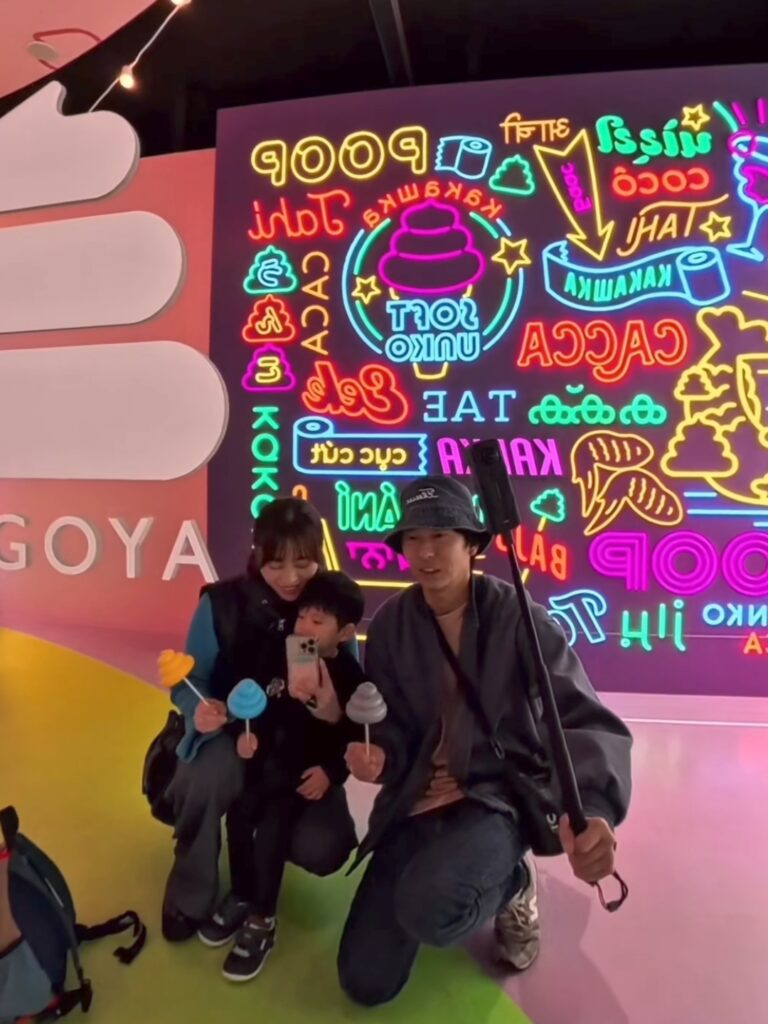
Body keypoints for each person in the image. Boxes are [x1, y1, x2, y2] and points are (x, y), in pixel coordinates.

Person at [338, 476, 633, 1008]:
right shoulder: (390, 627)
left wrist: (594, 808)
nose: (426, 552)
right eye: (413, 538)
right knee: (365, 981)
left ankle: (514, 883)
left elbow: (580, 715)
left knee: (430, 907)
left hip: (495, 798)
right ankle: (460, 879)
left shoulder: (518, 617)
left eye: (441, 536)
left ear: (472, 543)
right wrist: (380, 754)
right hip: (416, 801)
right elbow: (391, 726)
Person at [162, 499, 358, 976]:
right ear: (256, 555)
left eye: (303, 562)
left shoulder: (329, 607)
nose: (290, 577)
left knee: (322, 843)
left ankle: (256, 886)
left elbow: (353, 696)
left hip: (297, 750)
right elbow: (189, 682)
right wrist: (201, 710)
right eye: (276, 564)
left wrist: (332, 717)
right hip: (234, 735)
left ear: (319, 556)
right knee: (208, 778)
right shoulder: (221, 604)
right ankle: (192, 888)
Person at [210, 570, 366, 982]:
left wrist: (331, 772)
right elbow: (252, 699)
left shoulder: (350, 675)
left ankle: (263, 918)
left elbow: (355, 735)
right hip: (262, 765)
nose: (304, 628)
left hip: (299, 777)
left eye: (318, 622)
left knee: (272, 831)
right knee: (238, 817)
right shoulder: (278, 652)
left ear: (345, 633)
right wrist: (242, 734)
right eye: (301, 617)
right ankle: (241, 893)